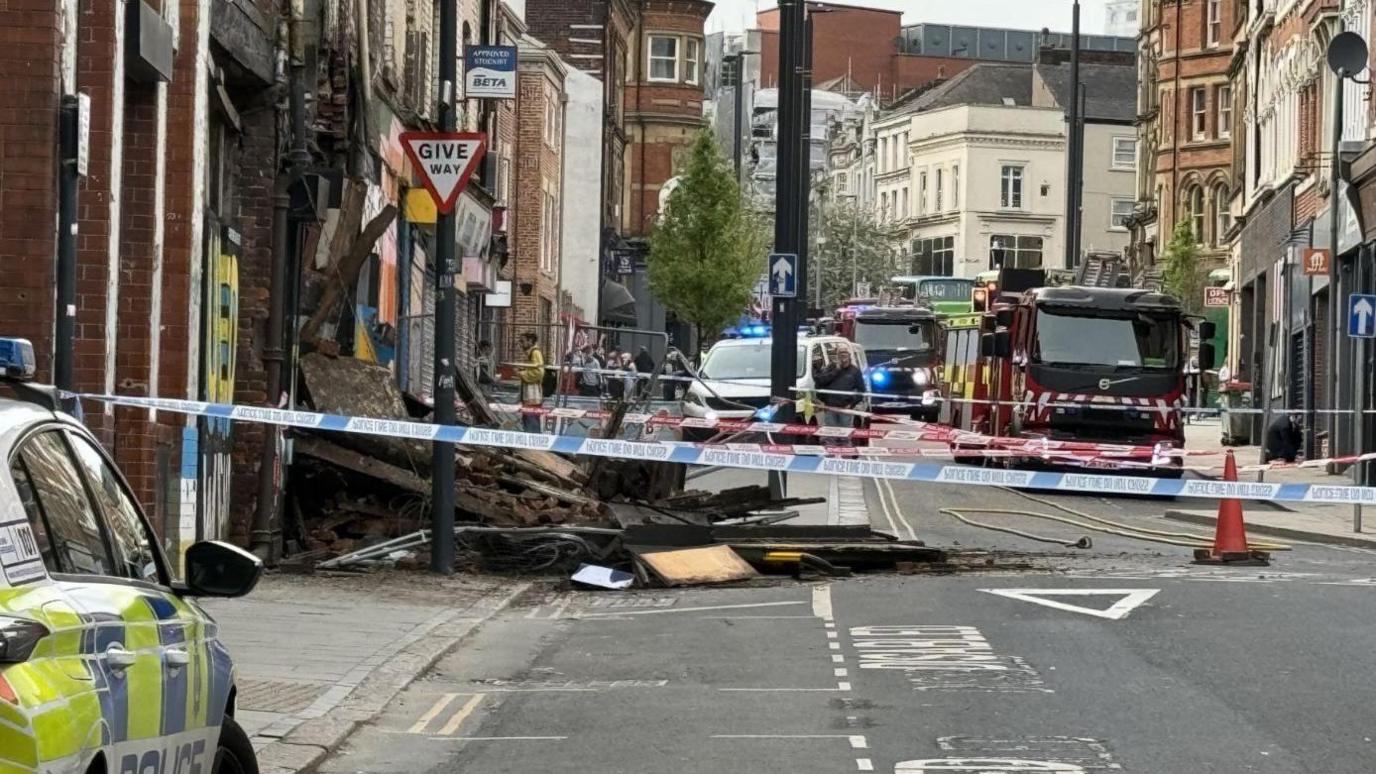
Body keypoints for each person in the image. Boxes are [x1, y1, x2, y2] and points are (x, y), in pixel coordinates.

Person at [813, 348, 865, 437]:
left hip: (845, 408)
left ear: (849, 355)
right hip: (830, 407)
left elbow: (861, 390)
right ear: (837, 356)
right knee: (830, 434)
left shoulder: (855, 371)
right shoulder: (831, 368)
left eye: (845, 353)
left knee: (844, 434)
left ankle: (845, 449)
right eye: (840, 353)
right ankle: (830, 449)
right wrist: (824, 401)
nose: (843, 355)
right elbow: (820, 382)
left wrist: (852, 404)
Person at [517, 332, 544, 434]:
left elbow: (538, 372)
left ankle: (533, 446)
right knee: (528, 420)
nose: (521, 344)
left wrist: (521, 373)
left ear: (530, 341)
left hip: (533, 395)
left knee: (531, 420)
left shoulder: (535, 353)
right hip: (529, 395)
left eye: (523, 341)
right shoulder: (531, 353)